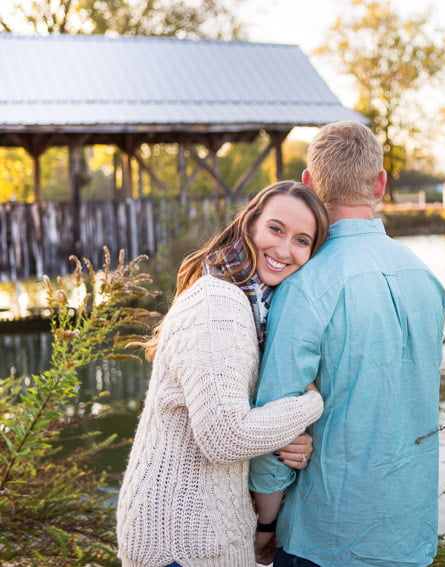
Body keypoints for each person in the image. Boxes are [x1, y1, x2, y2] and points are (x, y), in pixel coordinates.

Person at [249, 121, 445, 567]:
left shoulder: (306, 284)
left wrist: (265, 526)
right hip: (408, 534)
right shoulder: (427, 278)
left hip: (322, 538)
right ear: (379, 184)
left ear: (309, 185)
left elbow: (276, 420)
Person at [116, 181, 330, 567]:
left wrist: (287, 440)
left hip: (204, 535)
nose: (284, 250)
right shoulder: (221, 304)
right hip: (179, 544)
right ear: (250, 225)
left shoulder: (252, 303)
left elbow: (230, 419)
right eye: (276, 229)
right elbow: (225, 436)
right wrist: (310, 405)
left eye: (302, 240)